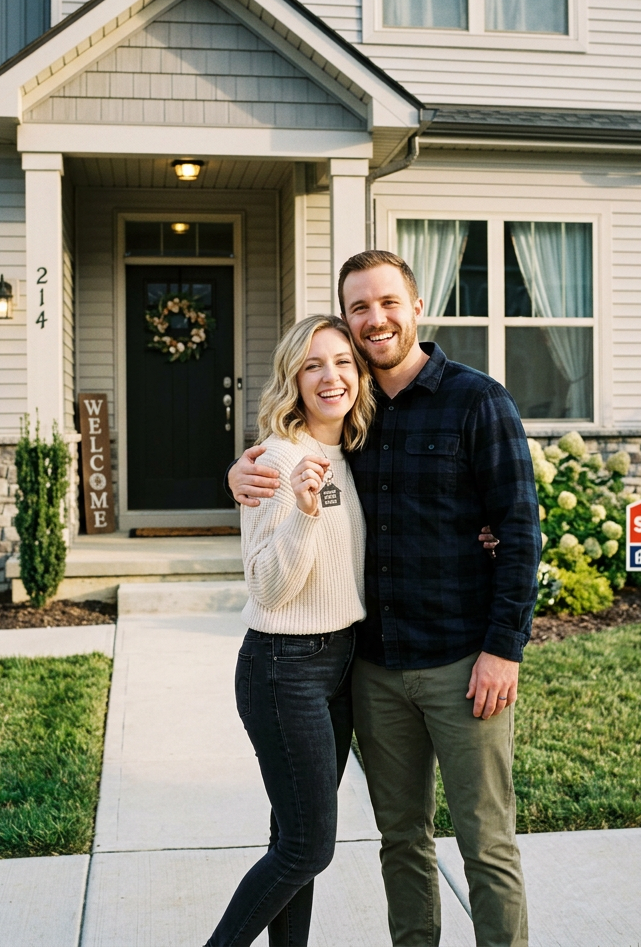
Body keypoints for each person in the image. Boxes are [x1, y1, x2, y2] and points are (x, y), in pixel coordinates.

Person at [228, 251, 541, 947]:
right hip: (371, 669)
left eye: (387, 302)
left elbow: (520, 531)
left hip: (465, 665)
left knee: (486, 843)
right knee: (402, 840)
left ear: (416, 306)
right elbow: (290, 458)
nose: (375, 320)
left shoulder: (477, 400)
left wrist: (503, 649)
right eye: (359, 309)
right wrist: (245, 473)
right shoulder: (354, 413)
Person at [207, 314, 375, 947]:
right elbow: (270, 588)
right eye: (313, 365)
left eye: (343, 362)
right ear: (292, 380)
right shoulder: (278, 459)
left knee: (293, 840)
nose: (331, 377)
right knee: (307, 849)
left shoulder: (350, 452)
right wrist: (303, 516)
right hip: (284, 669)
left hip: (339, 665)